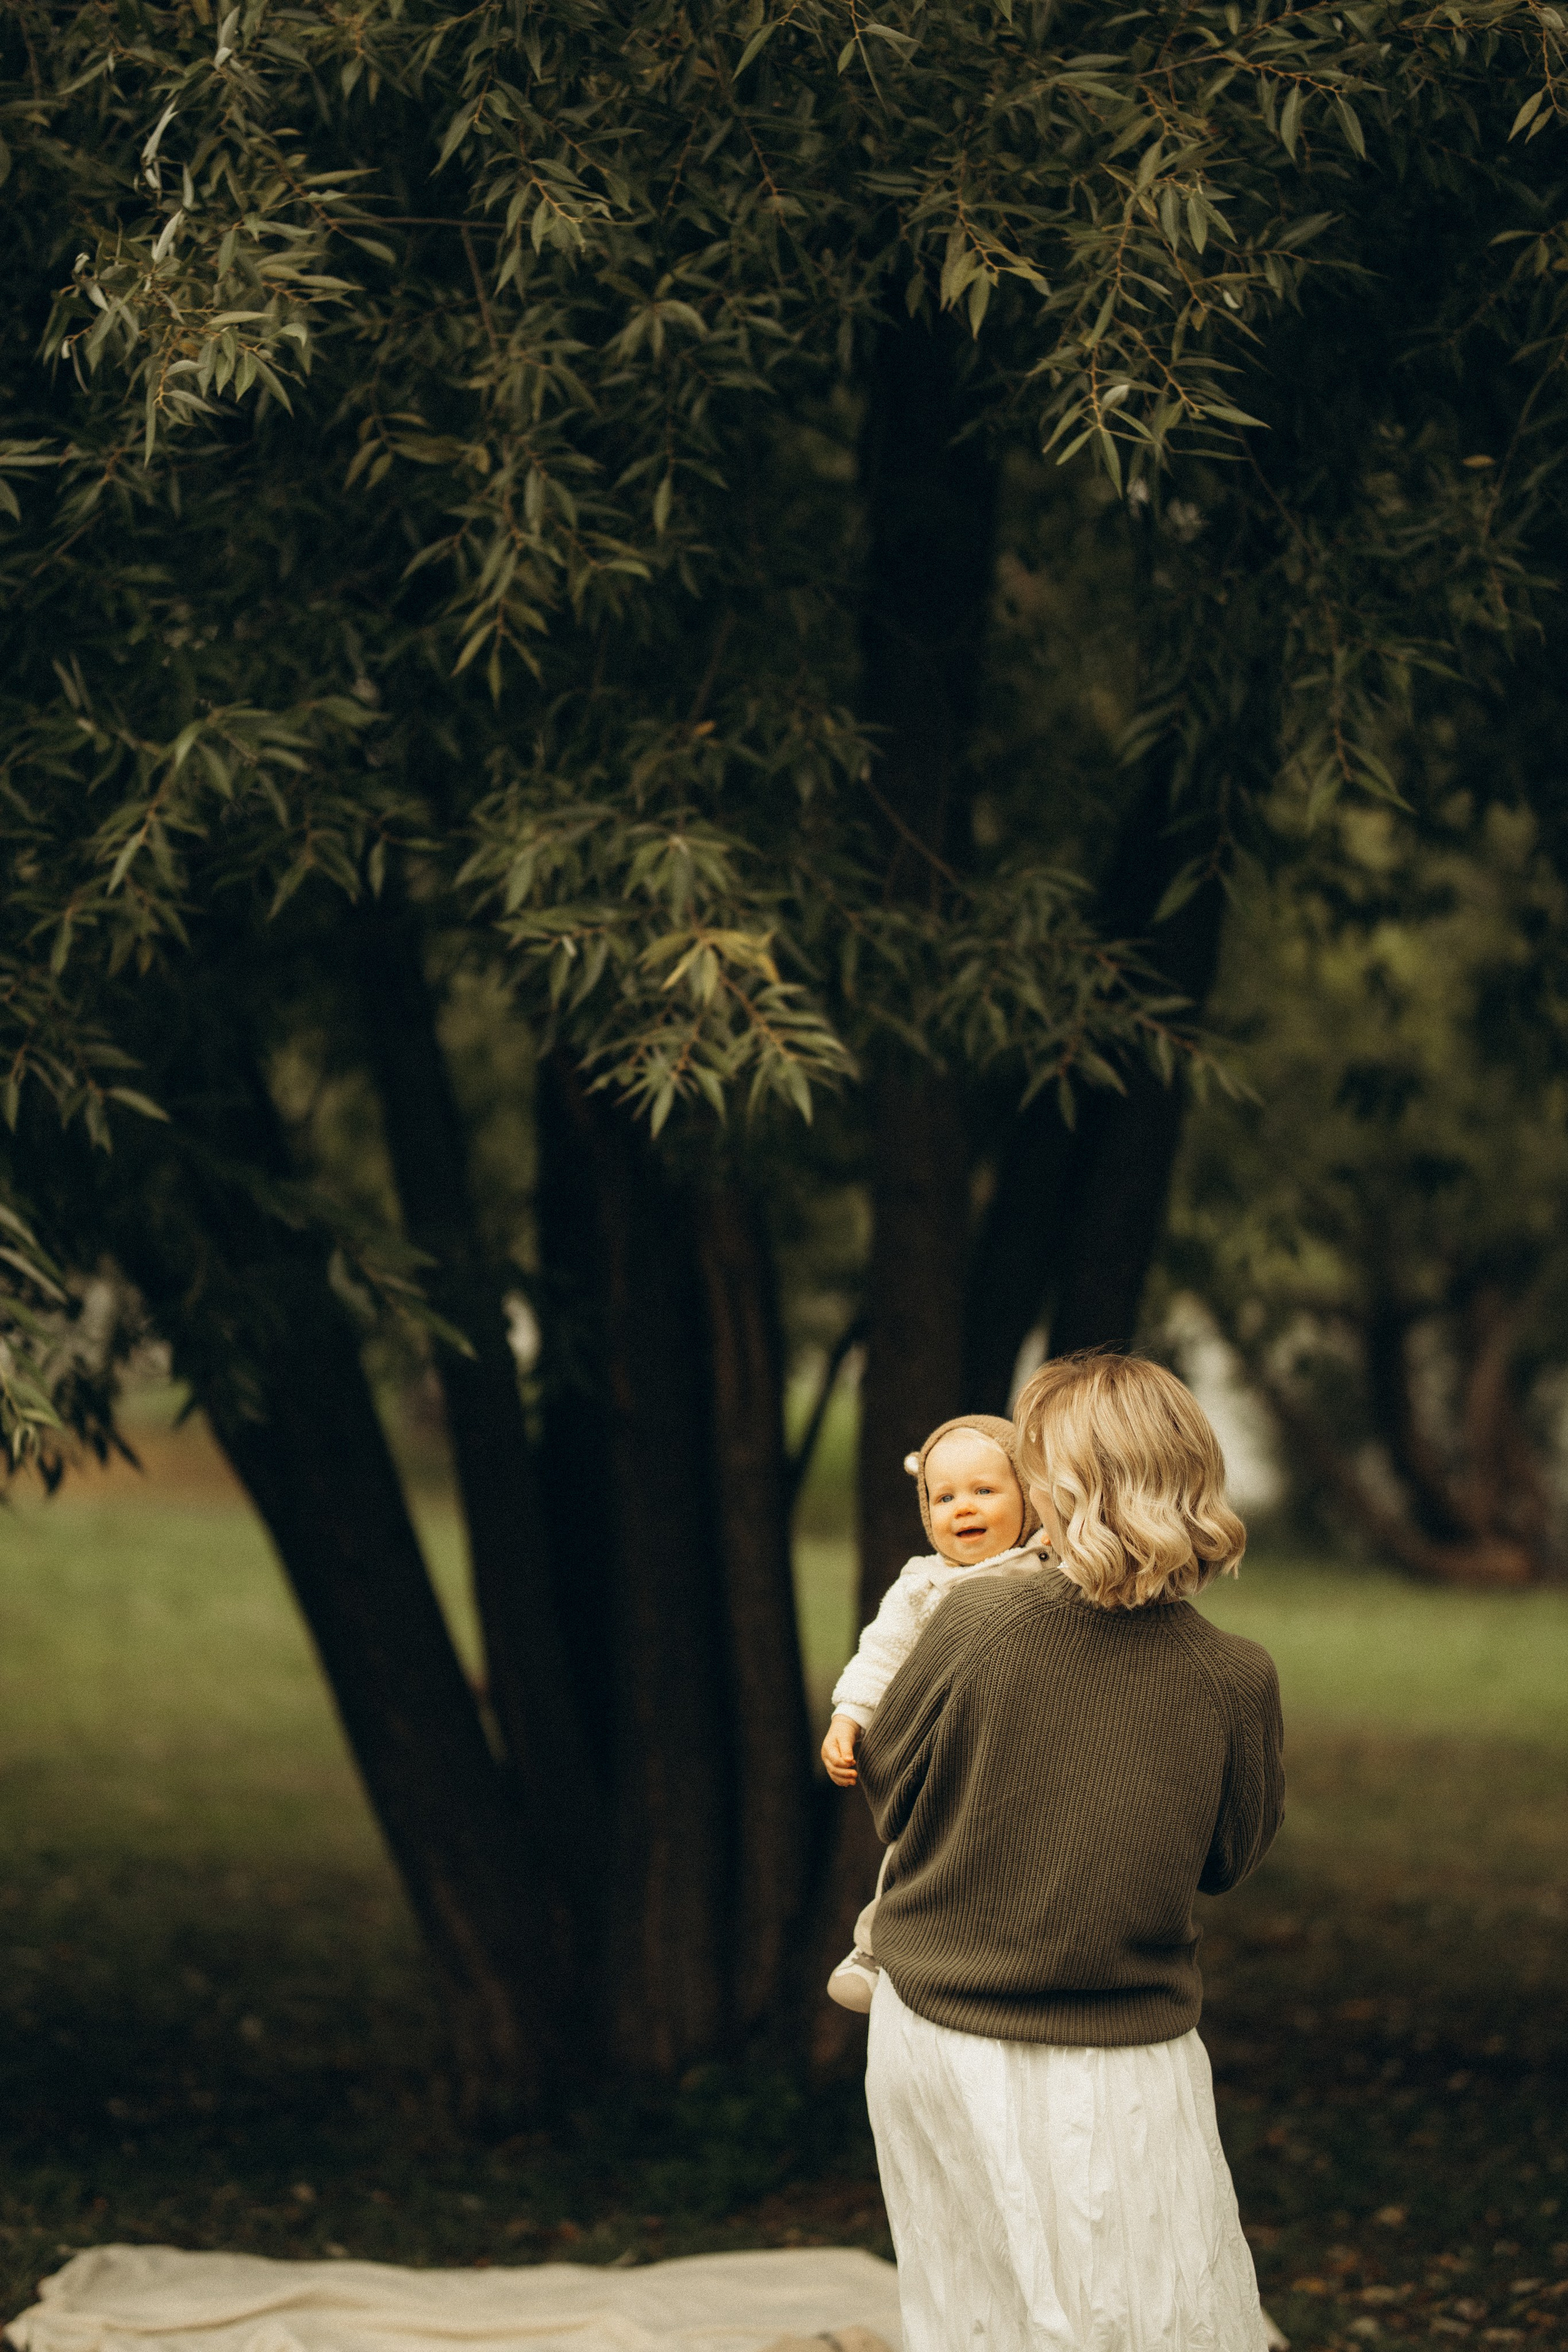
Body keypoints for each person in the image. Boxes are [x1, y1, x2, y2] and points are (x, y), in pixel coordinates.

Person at [858, 1351, 1284, 2352]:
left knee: (979, 2316)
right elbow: (1229, 1856)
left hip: (947, 2027)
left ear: (1061, 1485)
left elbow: (890, 1786)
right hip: (1134, 2051)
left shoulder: (979, 1620)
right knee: (1158, 2309)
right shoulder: (1238, 1677)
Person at [820, 1414, 1047, 2013]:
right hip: (942, 1755)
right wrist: (848, 1719)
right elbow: (881, 1655)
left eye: (984, 1491)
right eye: (944, 1497)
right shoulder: (921, 1586)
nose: (963, 1509)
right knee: (915, 1851)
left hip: (1024, 1751)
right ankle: (872, 1949)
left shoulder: (1051, 1568)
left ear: (1028, 1493)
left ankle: (1008, 1950)